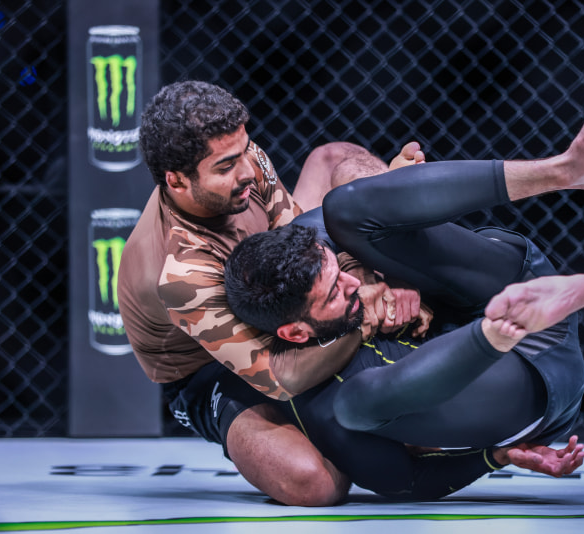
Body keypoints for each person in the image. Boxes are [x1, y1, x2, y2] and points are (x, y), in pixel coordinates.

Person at [224, 85, 584, 496]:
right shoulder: (315, 402)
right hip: (530, 384)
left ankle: (570, 170)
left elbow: (362, 211)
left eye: (337, 270)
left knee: (343, 208)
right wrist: (495, 458)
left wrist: (383, 260)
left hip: (506, 282)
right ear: (295, 333)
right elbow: (407, 479)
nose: (352, 283)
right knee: (351, 406)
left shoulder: (302, 240)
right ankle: (497, 331)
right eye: (334, 294)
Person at [118, 80, 425, 506]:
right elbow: (280, 377)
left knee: (335, 160)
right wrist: (364, 313)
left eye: (245, 149)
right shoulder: (180, 273)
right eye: (226, 166)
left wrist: (370, 272)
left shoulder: (245, 162)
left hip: (278, 291)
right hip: (214, 367)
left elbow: (302, 241)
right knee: (312, 483)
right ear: (177, 181)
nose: (247, 170)